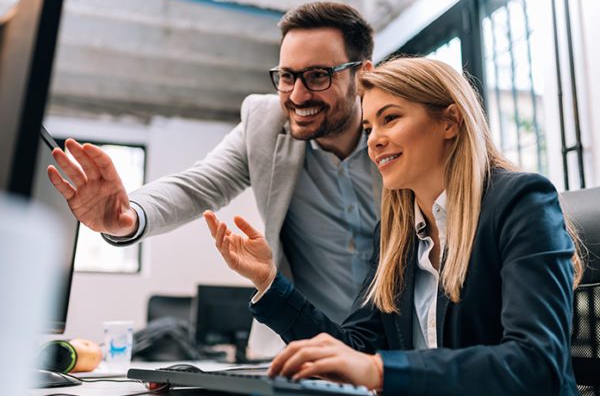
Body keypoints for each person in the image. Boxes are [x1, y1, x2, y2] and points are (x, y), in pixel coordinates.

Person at [203, 57, 583, 394]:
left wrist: (379, 371)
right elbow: (354, 349)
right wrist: (269, 282)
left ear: (449, 121)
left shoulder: (522, 203)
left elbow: (537, 364)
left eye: (390, 118)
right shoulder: (395, 234)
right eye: (369, 128)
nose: (375, 141)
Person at [46, 2, 380, 353]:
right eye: (286, 76)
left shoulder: (399, 133)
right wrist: (129, 216)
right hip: (305, 346)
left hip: (399, 345)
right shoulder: (264, 124)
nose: (297, 95)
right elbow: (198, 185)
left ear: (363, 75)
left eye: (317, 76)